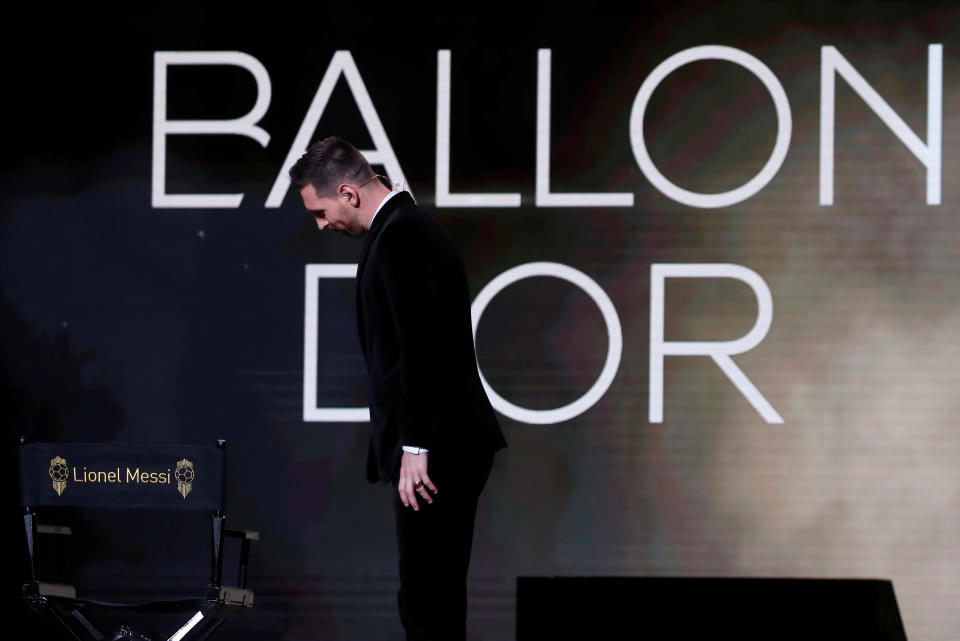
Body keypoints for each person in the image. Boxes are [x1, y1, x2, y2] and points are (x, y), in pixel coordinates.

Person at [289, 136, 507, 641]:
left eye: (319, 212)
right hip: (442, 444)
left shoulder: (403, 235)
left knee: (428, 603)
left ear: (347, 192)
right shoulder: (401, 229)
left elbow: (420, 348)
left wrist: (416, 444)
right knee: (430, 598)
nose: (321, 225)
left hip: (437, 449)